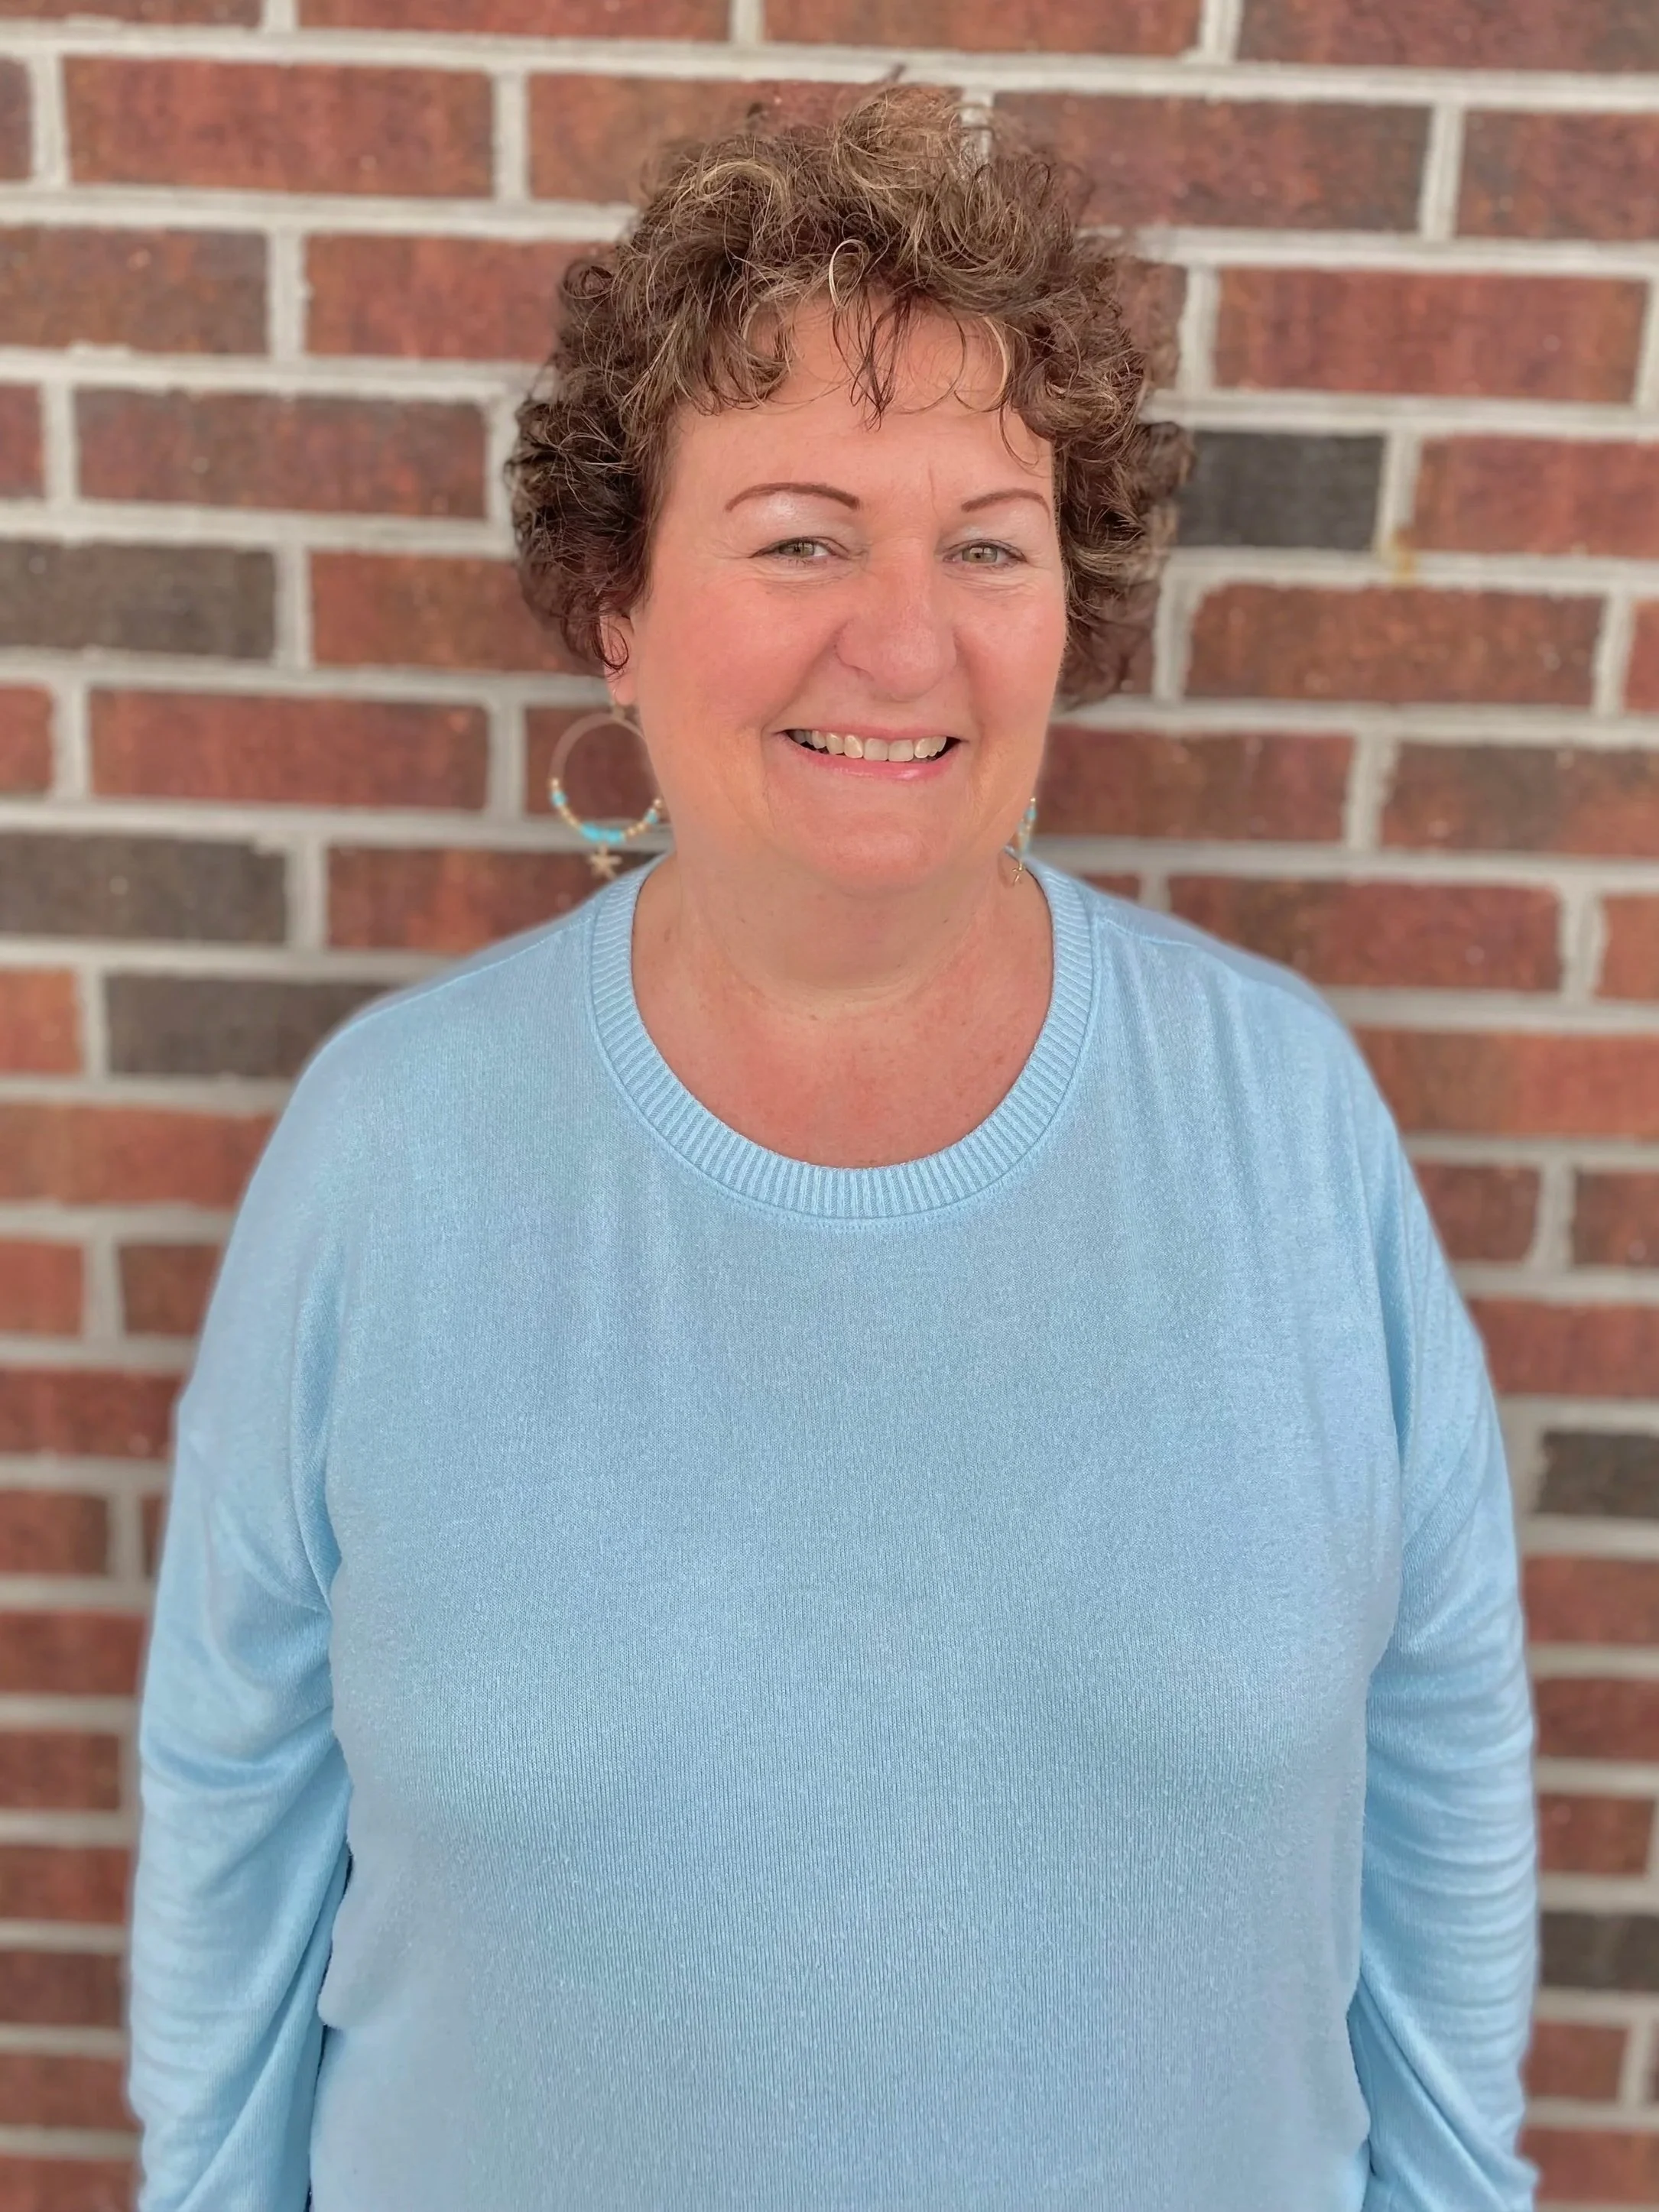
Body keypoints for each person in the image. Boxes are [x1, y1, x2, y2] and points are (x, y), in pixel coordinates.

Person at [127, 86, 1537, 2211]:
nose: (906, 640)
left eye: (986, 540)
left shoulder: (1284, 1123)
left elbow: (1442, 1768)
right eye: (799, 535)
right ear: (618, 598)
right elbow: (232, 1819)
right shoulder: (392, 1151)